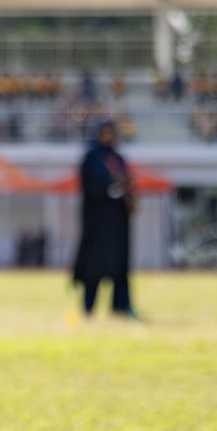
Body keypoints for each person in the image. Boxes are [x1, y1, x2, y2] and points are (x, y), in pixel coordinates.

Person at [72, 119, 135, 317]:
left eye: (112, 133)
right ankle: (88, 308)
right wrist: (112, 186)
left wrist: (126, 192)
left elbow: (126, 187)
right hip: (97, 224)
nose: (110, 137)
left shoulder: (118, 158)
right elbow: (90, 189)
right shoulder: (91, 158)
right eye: (106, 133)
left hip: (118, 224)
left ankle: (120, 307)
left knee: (120, 269)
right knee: (94, 269)